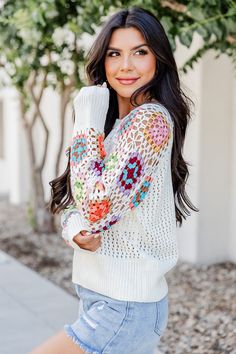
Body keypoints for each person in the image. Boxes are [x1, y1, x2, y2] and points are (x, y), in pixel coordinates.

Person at [30, 6, 198, 354]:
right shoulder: (116, 128)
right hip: (101, 298)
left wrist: (87, 117)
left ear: (158, 59)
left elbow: (95, 207)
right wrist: (74, 231)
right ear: (102, 62)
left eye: (140, 52)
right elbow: (78, 203)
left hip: (124, 306)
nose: (126, 65)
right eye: (114, 53)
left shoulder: (149, 122)